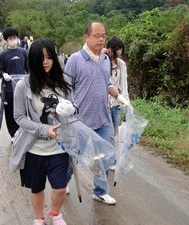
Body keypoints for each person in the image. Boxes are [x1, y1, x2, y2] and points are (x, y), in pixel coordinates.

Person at [11, 38, 78, 225]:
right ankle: (39, 218)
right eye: (41, 58)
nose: (45, 62)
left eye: (49, 57)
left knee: (60, 188)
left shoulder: (63, 82)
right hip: (34, 149)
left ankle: (55, 214)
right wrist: (44, 129)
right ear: (33, 60)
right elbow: (19, 118)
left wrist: (70, 109)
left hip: (59, 147)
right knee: (36, 188)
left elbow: (73, 106)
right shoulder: (23, 86)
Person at [64, 21, 130, 205]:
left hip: (102, 117)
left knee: (103, 156)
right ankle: (62, 183)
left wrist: (119, 97)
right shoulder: (75, 60)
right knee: (73, 157)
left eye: (103, 36)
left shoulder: (106, 59)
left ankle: (99, 191)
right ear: (86, 37)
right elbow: (66, 88)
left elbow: (106, 82)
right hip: (79, 120)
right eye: (97, 36)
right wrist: (67, 110)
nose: (101, 39)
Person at [0, 27, 28, 140]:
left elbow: (28, 69)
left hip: (23, 88)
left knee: (23, 110)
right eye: (10, 38)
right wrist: (4, 75)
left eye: (15, 37)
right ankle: (13, 134)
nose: (13, 39)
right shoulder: (3, 55)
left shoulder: (23, 52)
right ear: (6, 40)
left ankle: (23, 131)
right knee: (10, 112)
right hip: (9, 88)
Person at [105, 36, 130, 170]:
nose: (119, 51)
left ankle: (106, 155)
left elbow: (124, 85)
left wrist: (127, 103)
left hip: (117, 103)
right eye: (116, 49)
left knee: (113, 132)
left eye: (120, 49)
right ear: (110, 49)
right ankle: (112, 160)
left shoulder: (122, 64)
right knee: (109, 134)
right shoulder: (103, 62)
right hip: (105, 104)